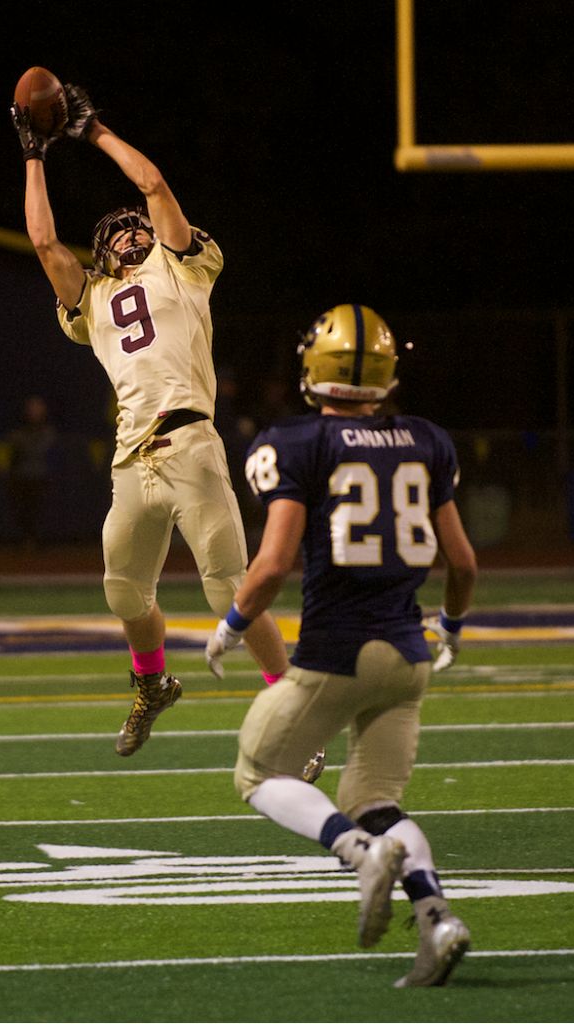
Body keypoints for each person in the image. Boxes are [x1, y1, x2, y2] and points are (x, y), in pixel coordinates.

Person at [11, 83, 288, 755]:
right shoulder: (94, 299)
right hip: (131, 459)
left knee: (230, 588)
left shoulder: (181, 267)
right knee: (124, 592)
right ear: (102, 253)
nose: (132, 232)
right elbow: (44, 242)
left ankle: (292, 704)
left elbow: (155, 186)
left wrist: (95, 131)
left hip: (190, 442)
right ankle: (153, 685)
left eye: (136, 226)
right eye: (117, 231)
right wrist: (33, 154)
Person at [205, 304, 477, 987]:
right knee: (377, 800)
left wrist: (232, 625)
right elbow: (464, 562)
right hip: (408, 654)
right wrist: (451, 625)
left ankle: (358, 854)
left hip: (336, 650)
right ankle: (438, 918)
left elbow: (272, 564)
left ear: (313, 367)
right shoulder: (426, 439)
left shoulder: (294, 442)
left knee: (257, 773)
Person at [5, 394, 57, 547]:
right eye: (32, 409)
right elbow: (15, 452)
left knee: (39, 510)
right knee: (23, 510)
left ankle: (38, 539)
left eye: (38, 409)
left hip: (41, 477)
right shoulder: (19, 432)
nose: (35, 412)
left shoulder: (48, 432)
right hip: (22, 477)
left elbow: (42, 448)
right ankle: (25, 539)